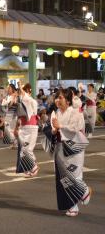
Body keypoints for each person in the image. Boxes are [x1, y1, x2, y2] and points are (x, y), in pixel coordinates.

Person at [44, 89, 92, 217]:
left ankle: (75, 203)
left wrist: (60, 127)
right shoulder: (56, 113)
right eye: (57, 98)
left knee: (74, 174)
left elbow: (76, 128)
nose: (58, 100)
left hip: (73, 147)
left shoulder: (75, 112)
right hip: (60, 147)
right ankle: (82, 193)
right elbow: (52, 130)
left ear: (68, 100)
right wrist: (53, 131)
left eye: (60, 97)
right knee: (63, 177)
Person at [14, 83, 39, 178]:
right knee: (23, 150)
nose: (20, 93)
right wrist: (16, 128)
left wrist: (20, 87)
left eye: (22, 91)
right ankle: (30, 167)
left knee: (27, 149)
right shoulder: (21, 101)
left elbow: (25, 97)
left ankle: (34, 166)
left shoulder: (30, 100)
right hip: (23, 127)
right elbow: (19, 117)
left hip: (31, 127)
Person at [1, 84, 18, 149]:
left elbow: (13, 104)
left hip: (13, 113)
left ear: (12, 89)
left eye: (9, 88)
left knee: (11, 129)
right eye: (7, 88)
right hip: (8, 113)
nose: (8, 89)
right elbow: (5, 106)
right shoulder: (8, 96)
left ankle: (15, 142)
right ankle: (13, 143)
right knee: (8, 128)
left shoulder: (15, 96)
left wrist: (8, 103)